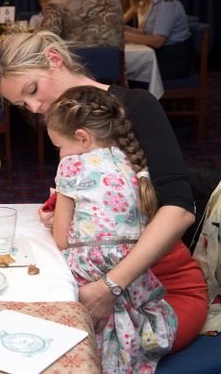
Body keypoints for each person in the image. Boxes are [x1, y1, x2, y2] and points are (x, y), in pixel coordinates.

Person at [0, 30, 208, 353]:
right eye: (23, 104)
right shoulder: (66, 123)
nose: (34, 107)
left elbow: (179, 208)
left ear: (54, 59)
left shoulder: (136, 106)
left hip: (160, 291)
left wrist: (111, 285)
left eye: (32, 90)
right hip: (112, 285)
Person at [46, 86, 177, 372]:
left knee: (45, 277)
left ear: (82, 138)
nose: (60, 153)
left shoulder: (72, 165)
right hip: (133, 267)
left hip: (92, 267)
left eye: (59, 147)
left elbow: (60, 239)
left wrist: (55, 218)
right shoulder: (132, 160)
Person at [124, 0, 191, 79]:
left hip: (173, 59)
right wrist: (129, 30)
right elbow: (148, 33)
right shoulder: (156, 3)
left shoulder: (167, 4)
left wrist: (126, 36)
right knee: (125, 68)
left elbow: (157, 41)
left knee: (128, 72)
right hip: (162, 55)